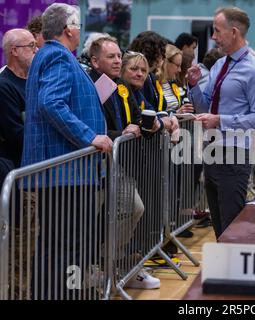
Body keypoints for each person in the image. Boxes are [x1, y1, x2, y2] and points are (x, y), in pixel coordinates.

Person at [22, 3, 112, 299]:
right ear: (68, 29)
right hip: (66, 172)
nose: (80, 30)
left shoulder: (52, 55)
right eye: (78, 25)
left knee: (58, 243)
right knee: (64, 244)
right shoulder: (58, 56)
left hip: (67, 172)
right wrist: (90, 137)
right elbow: (51, 103)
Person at [187, 7, 255, 239]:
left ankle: (234, 273)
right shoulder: (219, 65)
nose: (213, 36)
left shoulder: (254, 71)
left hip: (233, 154)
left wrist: (221, 120)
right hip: (211, 150)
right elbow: (206, 109)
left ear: (234, 32)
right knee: (219, 227)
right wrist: (194, 87)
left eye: (217, 30)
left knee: (231, 228)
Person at [88, 36, 161, 290]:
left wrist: (153, 123)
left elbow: (137, 118)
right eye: (112, 57)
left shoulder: (117, 85)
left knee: (133, 209)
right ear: (95, 61)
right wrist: (122, 135)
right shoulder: (94, 85)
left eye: (119, 56)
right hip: (99, 165)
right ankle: (102, 265)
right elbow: (96, 128)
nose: (118, 60)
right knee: (122, 211)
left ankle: (112, 263)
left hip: (119, 164)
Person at [0, 29, 37, 169]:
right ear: (14, 51)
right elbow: (15, 133)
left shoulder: (35, 81)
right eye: (31, 45)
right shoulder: (4, 86)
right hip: (19, 166)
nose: (36, 50)